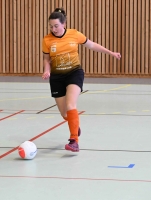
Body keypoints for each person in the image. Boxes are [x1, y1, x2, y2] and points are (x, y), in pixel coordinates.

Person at [42, 7, 121, 152]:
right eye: (51, 26)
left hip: (74, 73)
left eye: (56, 26)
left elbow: (92, 45)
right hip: (56, 77)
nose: (53, 29)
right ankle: (74, 124)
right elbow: (46, 59)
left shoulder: (74, 34)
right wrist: (46, 70)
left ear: (64, 24)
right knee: (65, 114)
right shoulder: (47, 40)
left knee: (71, 105)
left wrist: (111, 53)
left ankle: (74, 141)